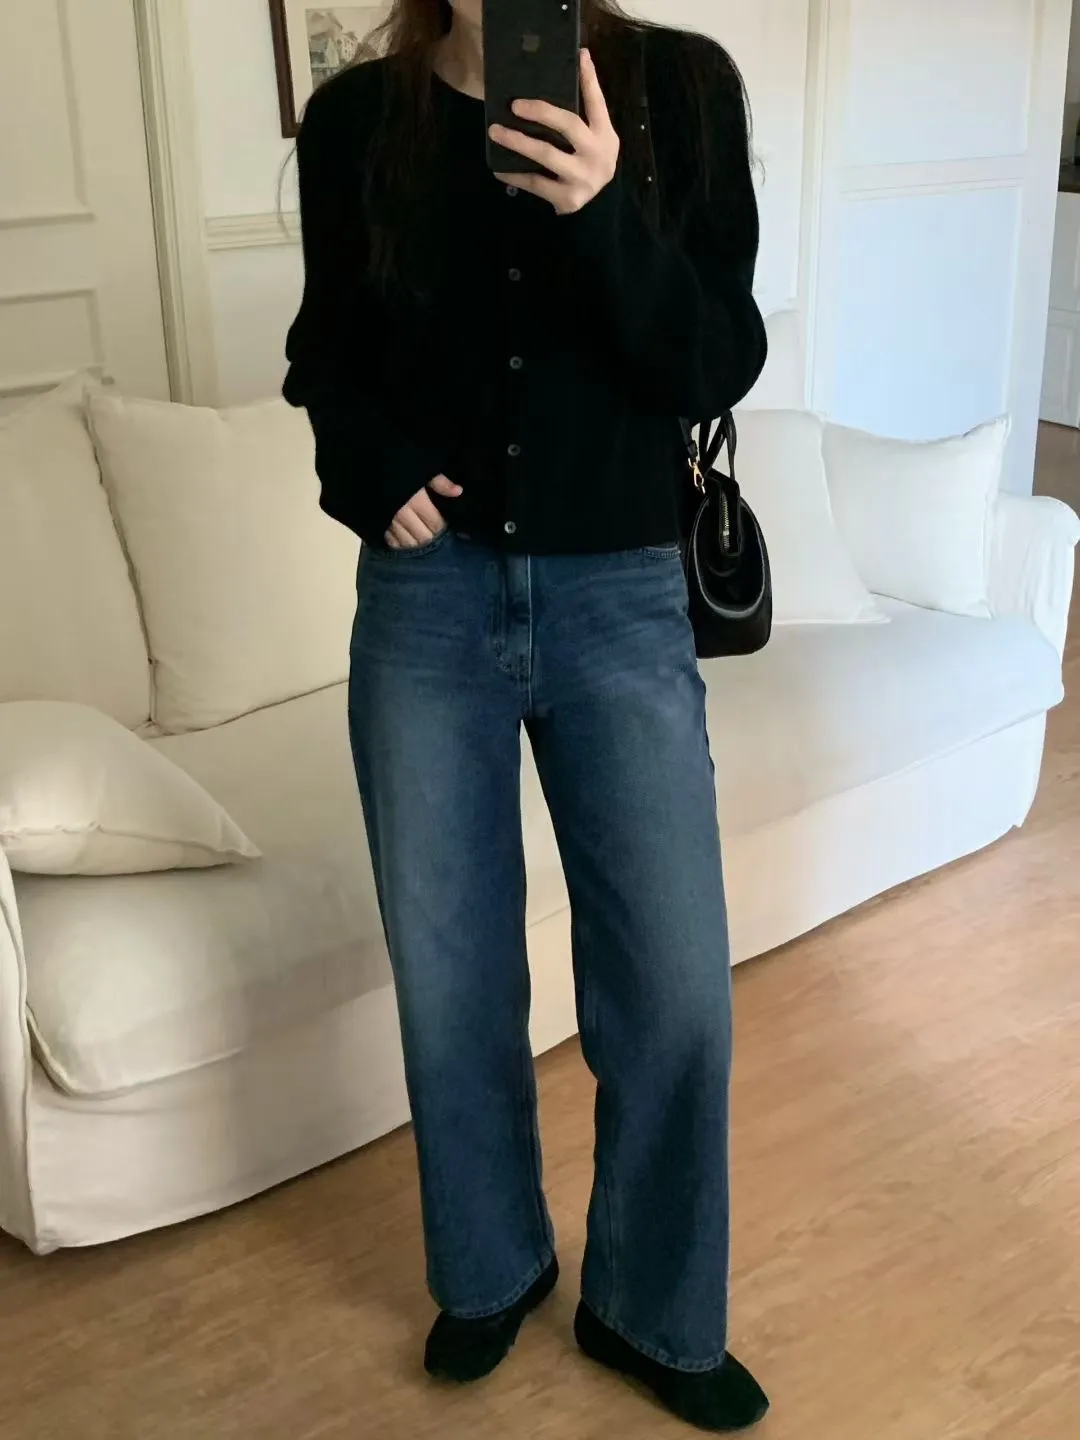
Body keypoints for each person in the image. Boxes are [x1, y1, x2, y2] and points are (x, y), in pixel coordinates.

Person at [283, 0, 769, 1430]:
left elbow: (715, 358)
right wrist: (367, 468)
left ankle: (649, 1306)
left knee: (674, 986)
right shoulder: (359, 122)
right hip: (426, 606)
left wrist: (603, 208)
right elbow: (326, 356)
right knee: (452, 978)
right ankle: (491, 1266)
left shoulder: (681, 90)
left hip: (621, 594)